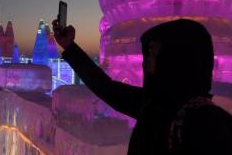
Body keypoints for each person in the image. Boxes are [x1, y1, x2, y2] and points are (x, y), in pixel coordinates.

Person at [52, 18, 232, 155]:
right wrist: (70, 47)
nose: (146, 64)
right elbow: (106, 88)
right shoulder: (154, 103)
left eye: (154, 54)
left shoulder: (208, 122)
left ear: (177, 59)